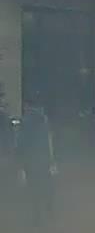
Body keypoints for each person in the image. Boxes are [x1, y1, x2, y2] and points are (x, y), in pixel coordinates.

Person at [15, 95, 56, 225]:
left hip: (31, 159)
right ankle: (49, 208)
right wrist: (51, 158)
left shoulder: (25, 120)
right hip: (43, 157)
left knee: (33, 186)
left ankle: (37, 214)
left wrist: (19, 157)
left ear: (26, 105)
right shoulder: (44, 119)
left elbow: (21, 141)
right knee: (46, 183)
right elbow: (49, 139)